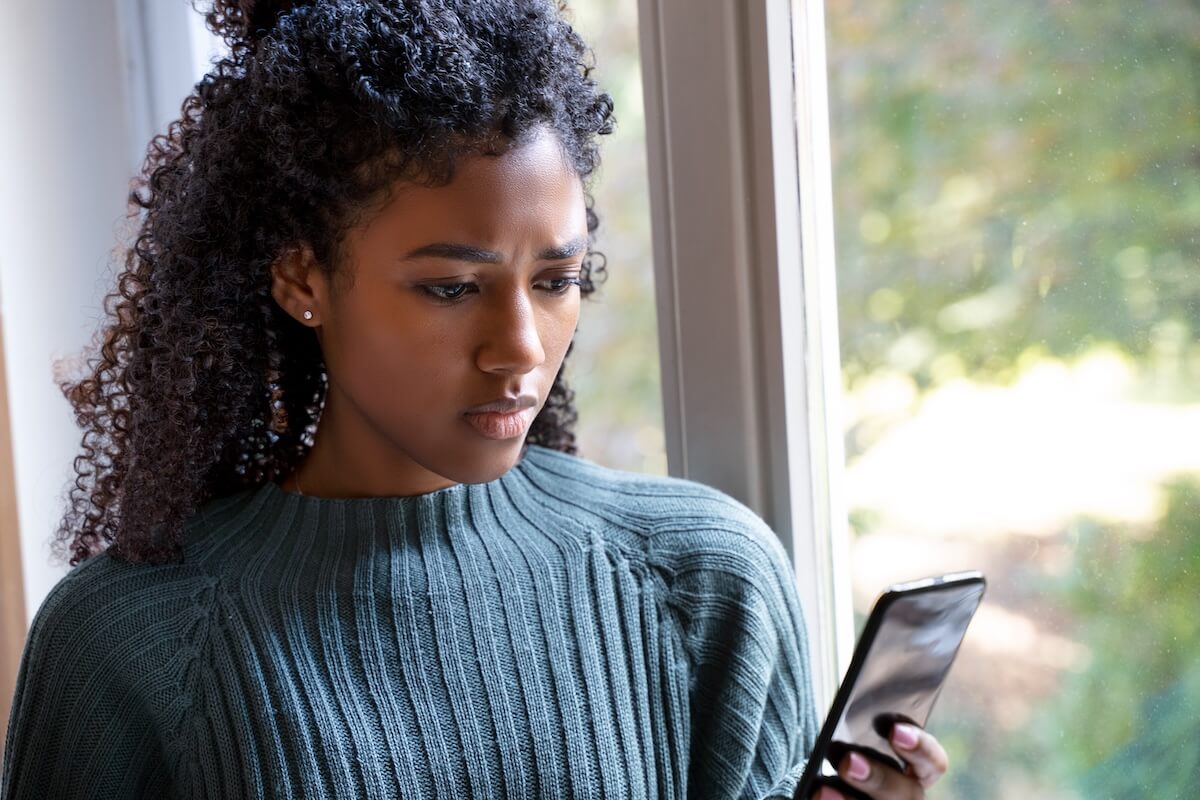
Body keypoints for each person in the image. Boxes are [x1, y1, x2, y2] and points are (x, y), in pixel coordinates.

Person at [1, 1, 949, 797]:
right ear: (301, 276)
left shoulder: (704, 582)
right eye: (452, 288)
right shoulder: (129, 640)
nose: (521, 350)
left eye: (557, 278)